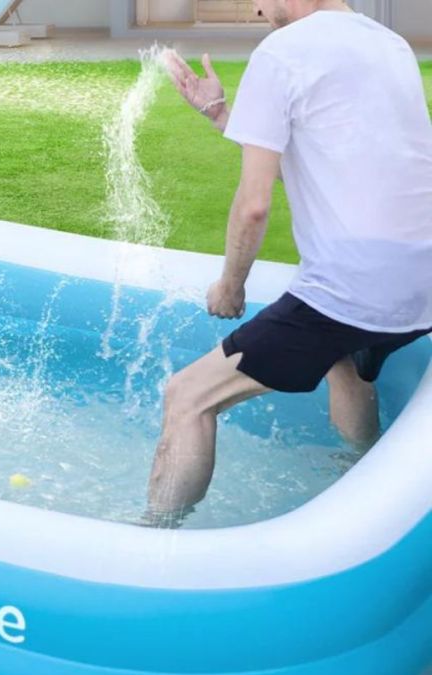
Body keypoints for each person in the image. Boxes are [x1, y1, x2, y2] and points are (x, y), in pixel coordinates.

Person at [147, 0, 432, 523]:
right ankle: (362, 483)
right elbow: (330, 167)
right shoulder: (389, 45)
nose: (258, 9)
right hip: (420, 282)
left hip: (354, 289)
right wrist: (220, 114)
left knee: (187, 397)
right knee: (345, 357)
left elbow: (254, 204)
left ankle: (156, 544)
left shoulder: (282, 53)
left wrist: (231, 287)